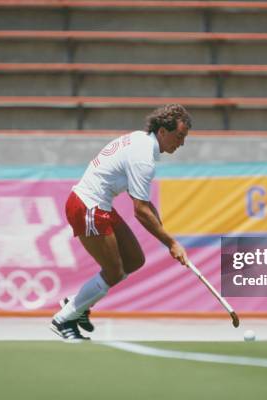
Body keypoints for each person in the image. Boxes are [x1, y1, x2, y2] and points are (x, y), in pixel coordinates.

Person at [51, 104, 192, 340]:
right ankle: (64, 318)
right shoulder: (143, 159)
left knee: (134, 260)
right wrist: (171, 243)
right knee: (114, 272)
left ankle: (79, 304)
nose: (182, 143)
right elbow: (140, 211)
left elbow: (145, 205)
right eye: (179, 137)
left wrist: (166, 236)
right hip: (87, 206)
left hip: (99, 204)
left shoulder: (140, 140)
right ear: (163, 132)